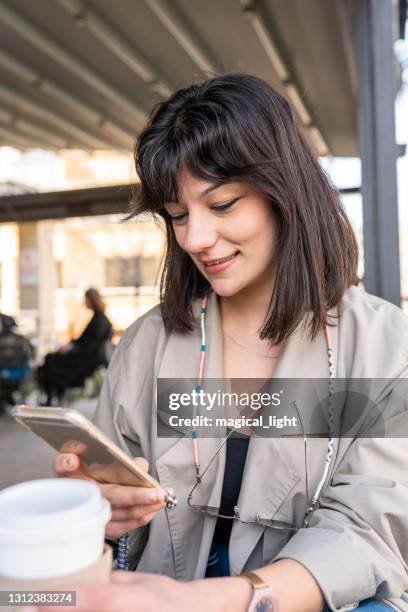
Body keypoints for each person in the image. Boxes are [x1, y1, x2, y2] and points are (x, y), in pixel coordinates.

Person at [52, 74, 408, 611]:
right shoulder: (150, 343)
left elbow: (369, 528)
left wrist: (224, 601)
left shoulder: (381, 344)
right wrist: (97, 513)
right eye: (177, 214)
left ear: (284, 194)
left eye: (222, 205)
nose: (194, 238)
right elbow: (107, 524)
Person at [37, 287, 113, 405]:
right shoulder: (99, 318)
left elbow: (88, 345)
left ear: (91, 300)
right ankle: (54, 395)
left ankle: (53, 396)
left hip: (86, 359)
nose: (84, 302)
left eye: (85, 299)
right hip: (86, 355)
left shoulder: (99, 320)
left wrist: (71, 348)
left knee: (50, 360)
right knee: (50, 359)